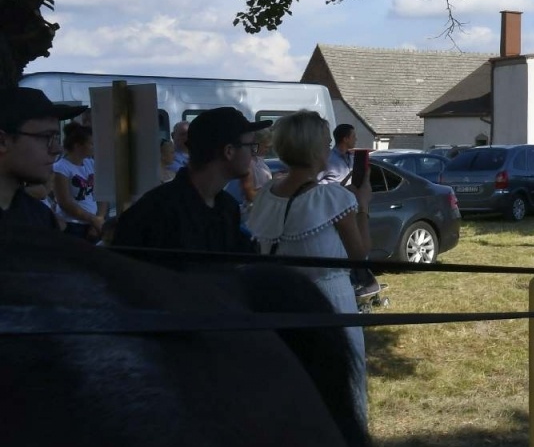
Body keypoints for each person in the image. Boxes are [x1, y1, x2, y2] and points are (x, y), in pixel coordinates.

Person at [247, 109, 372, 419]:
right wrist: (364, 206)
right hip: (329, 300)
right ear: (316, 149)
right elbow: (360, 255)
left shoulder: (265, 196)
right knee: (340, 388)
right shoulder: (331, 197)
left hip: (280, 303)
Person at [113, 106, 264, 254]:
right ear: (229, 151)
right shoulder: (153, 214)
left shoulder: (228, 208)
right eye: (251, 146)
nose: (253, 154)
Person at [0, 87, 84, 232]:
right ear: (2, 142)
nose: (57, 149)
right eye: (46, 137)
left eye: (56, 138)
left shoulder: (39, 216)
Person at [52, 122, 105, 241]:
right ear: (77, 146)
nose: (94, 147)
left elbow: (102, 193)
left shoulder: (91, 163)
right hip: (72, 224)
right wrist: (92, 219)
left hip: (93, 223)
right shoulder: (61, 167)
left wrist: (99, 218)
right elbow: (64, 202)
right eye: (91, 144)